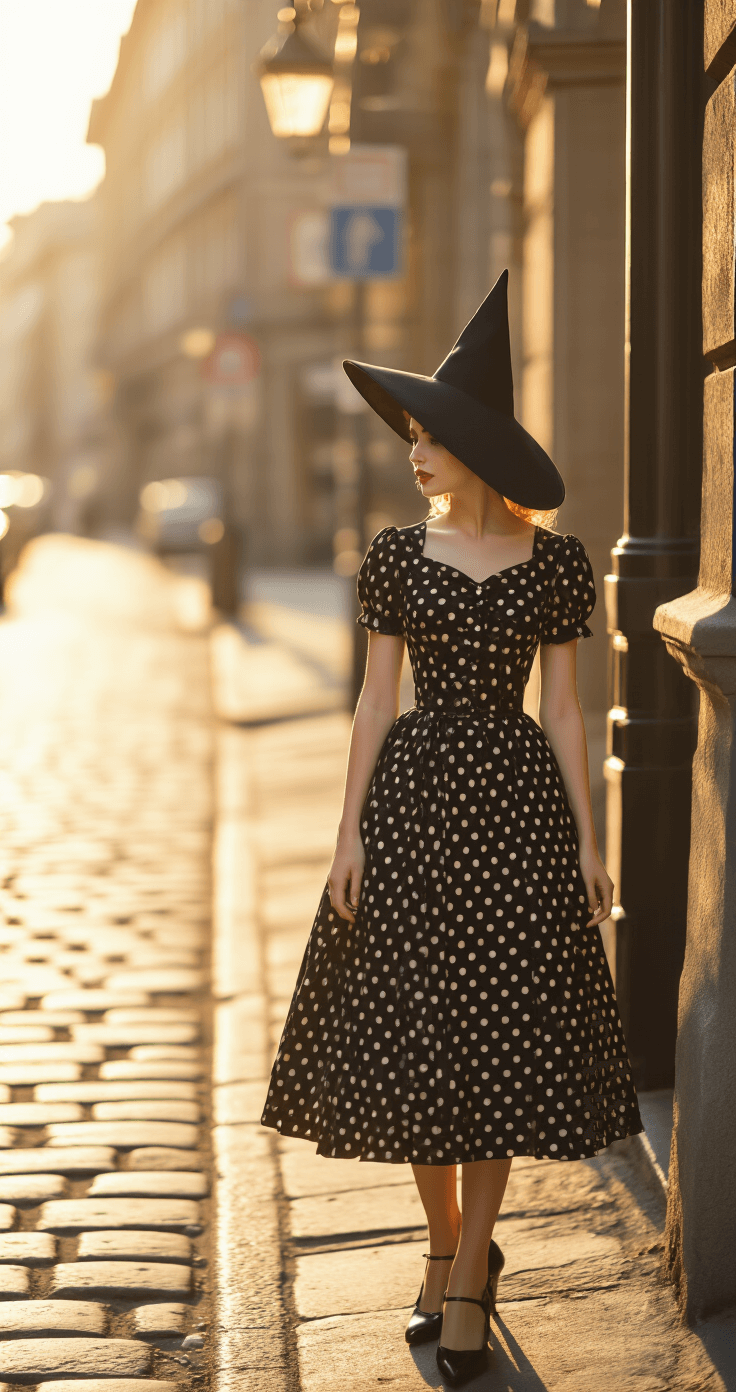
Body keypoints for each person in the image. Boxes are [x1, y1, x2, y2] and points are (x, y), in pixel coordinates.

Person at [261, 271, 642, 1387]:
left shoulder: (558, 563)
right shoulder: (393, 556)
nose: (414, 455)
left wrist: (586, 839)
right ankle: (441, 1243)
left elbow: (564, 710)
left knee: (501, 1045)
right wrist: (347, 837)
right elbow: (375, 702)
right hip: (413, 814)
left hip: (517, 815)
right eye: (411, 438)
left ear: (477, 448)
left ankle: (471, 1270)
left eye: (430, 438)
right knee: (416, 1047)